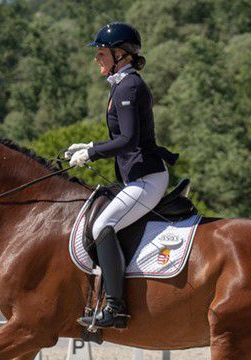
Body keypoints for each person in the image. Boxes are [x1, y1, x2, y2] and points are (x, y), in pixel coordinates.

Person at [68, 21, 179, 330]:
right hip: (137, 177)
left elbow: (129, 140)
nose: (97, 59)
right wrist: (91, 145)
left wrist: (92, 153)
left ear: (121, 54)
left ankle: (116, 308)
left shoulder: (129, 86)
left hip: (147, 179)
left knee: (104, 226)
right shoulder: (122, 84)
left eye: (102, 53)